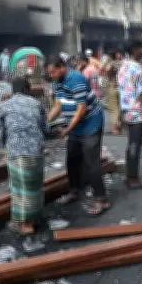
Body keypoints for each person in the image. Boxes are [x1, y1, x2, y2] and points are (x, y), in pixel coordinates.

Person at [47, 57, 109, 215]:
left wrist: (67, 130)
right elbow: (59, 104)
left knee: (91, 162)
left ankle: (101, 199)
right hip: (76, 126)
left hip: (90, 124)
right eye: (50, 73)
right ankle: (74, 191)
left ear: (62, 67)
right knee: (72, 160)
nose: (52, 75)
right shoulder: (58, 81)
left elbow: (82, 109)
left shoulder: (77, 79)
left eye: (53, 72)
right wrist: (46, 122)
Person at [0, 78, 48, 234]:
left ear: (12, 90)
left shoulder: (3, 106)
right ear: (28, 89)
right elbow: (46, 129)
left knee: (20, 189)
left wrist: (6, 147)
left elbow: (0, 133)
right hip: (35, 150)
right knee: (34, 187)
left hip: (16, 151)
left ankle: (26, 224)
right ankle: (35, 218)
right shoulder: (37, 104)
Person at [116, 39, 142, 189]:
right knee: (135, 145)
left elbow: (121, 91)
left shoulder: (123, 66)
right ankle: (133, 179)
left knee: (131, 144)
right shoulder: (137, 68)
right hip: (137, 111)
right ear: (134, 50)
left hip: (126, 110)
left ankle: (130, 176)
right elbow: (141, 93)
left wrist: (120, 115)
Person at [103, 49, 122, 133]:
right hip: (121, 87)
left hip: (112, 86)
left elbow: (106, 69)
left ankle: (115, 127)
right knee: (119, 107)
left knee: (113, 108)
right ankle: (120, 125)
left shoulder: (111, 63)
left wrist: (106, 62)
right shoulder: (120, 63)